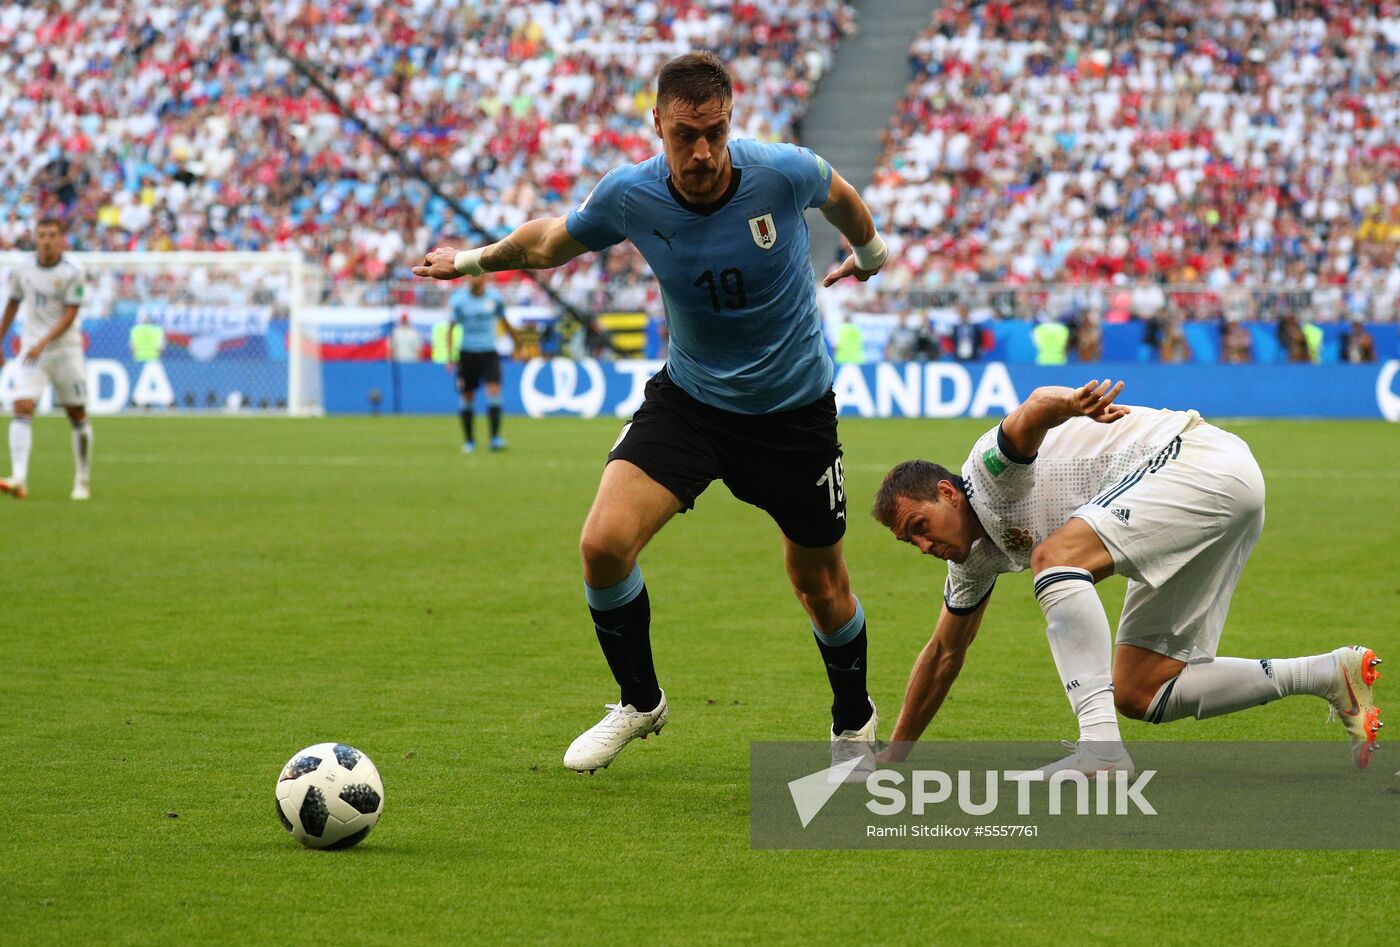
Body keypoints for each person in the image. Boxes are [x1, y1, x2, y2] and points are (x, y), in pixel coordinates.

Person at [413, 50, 888, 775]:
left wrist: (871, 252)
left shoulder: (781, 171)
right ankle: (640, 701)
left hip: (794, 413)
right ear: (657, 126)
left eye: (715, 132)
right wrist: (473, 260)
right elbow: (549, 242)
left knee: (819, 586)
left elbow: (844, 197)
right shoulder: (632, 195)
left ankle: (854, 724)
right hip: (692, 402)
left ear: (732, 121)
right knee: (603, 545)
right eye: (684, 135)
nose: (702, 151)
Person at [871, 380, 1382, 774]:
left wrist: (1072, 402)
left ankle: (1101, 753)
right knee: (1140, 691)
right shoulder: (971, 562)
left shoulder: (986, 473)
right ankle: (1328, 674)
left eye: (919, 526)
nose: (922, 545)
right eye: (909, 543)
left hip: (1200, 462)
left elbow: (1031, 410)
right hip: (1211, 499)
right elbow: (943, 655)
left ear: (948, 492)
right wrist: (892, 761)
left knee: (1055, 559)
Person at [0, 217, 93, 501]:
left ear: (61, 238)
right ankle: (18, 478)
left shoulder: (73, 271)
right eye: (41, 235)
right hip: (32, 350)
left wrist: (44, 342)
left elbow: (70, 314)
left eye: (52, 235)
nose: (46, 240)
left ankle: (82, 478)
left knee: (76, 414)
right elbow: (13, 303)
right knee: (22, 406)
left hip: (65, 350)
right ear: (36, 238)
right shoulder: (23, 270)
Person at [447, 273, 517, 452]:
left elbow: (504, 321)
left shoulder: (494, 298)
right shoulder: (458, 300)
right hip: (467, 352)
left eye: (476, 275)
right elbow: (450, 329)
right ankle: (469, 441)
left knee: (494, 391)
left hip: (489, 352)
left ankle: (495, 438)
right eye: (470, 275)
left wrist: (518, 343)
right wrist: (449, 357)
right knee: (468, 396)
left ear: (484, 277)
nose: (473, 279)